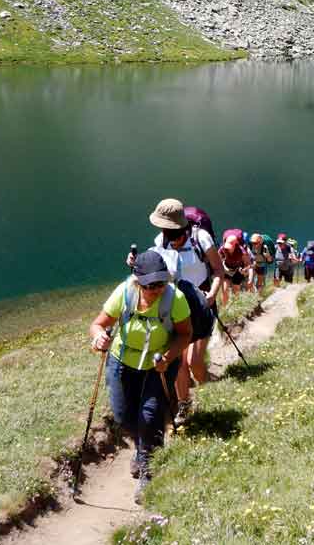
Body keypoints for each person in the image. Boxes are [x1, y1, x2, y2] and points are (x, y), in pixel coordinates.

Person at [89, 250, 192, 496]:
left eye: (160, 283)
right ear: (138, 282)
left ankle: (148, 468)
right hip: (122, 361)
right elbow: (97, 324)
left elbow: (185, 334)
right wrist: (99, 338)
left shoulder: (174, 298)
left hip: (159, 364)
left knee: (150, 415)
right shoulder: (124, 293)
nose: (156, 289)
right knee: (124, 416)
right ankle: (141, 448)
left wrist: (167, 358)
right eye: (150, 285)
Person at [138, 199, 227, 426]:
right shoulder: (160, 241)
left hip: (201, 305)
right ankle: (185, 404)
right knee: (179, 363)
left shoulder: (201, 239)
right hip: (176, 309)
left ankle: (208, 390)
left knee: (195, 361)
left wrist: (213, 295)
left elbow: (218, 270)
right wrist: (135, 265)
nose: (164, 232)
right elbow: (154, 272)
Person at [219, 229, 252, 303]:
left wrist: (244, 270)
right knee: (224, 290)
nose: (228, 249)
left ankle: (236, 305)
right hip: (227, 269)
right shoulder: (222, 249)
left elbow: (249, 264)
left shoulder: (241, 251)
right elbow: (218, 261)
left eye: (230, 246)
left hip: (238, 270)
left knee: (236, 289)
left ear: (235, 245)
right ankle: (225, 308)